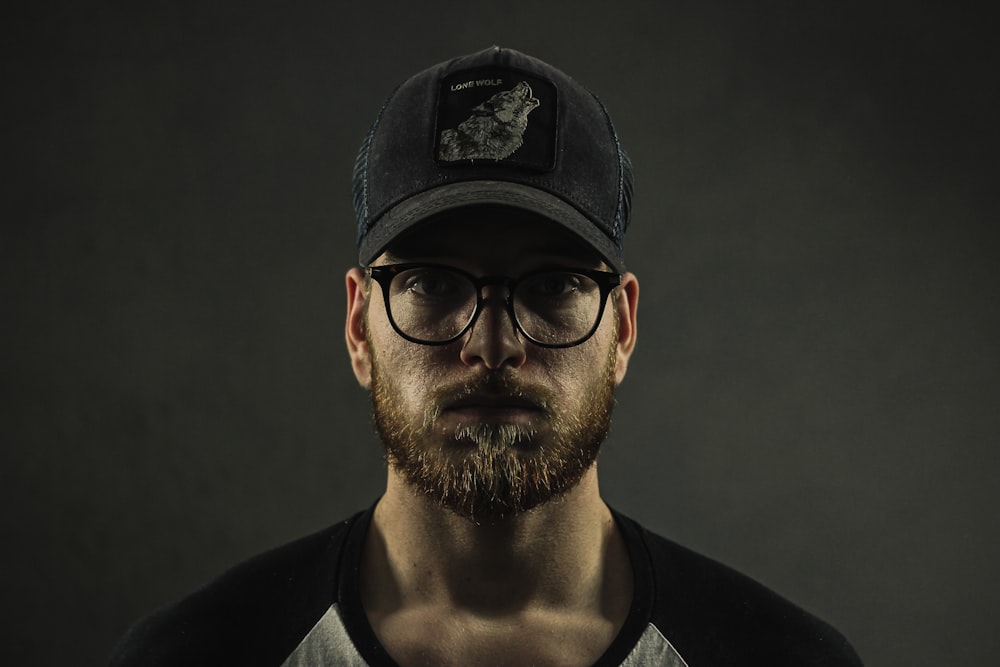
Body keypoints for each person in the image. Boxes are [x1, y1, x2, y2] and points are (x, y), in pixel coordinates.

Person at [109, 46, 863, 667]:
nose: (493, 344)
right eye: (432, 282)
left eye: (554, 283)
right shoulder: (195, 655)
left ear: (623, 327)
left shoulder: (784, 658)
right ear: (358, 326)